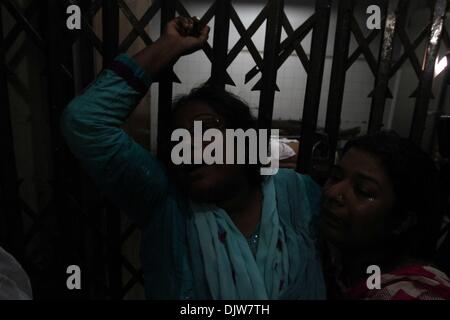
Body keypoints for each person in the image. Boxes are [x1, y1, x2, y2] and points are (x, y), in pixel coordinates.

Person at [60, 17, 325, 300]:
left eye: (206, 129)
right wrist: (168, 46)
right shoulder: (166, 204)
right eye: (178, 140)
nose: (189, 147)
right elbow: (85, 121)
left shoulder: (297, 194)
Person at [318, 131, 450, 300]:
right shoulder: (338, 262)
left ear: (403, 221)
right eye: (336, 177)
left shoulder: (409, 293)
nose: (332, 192)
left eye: (363, 191)